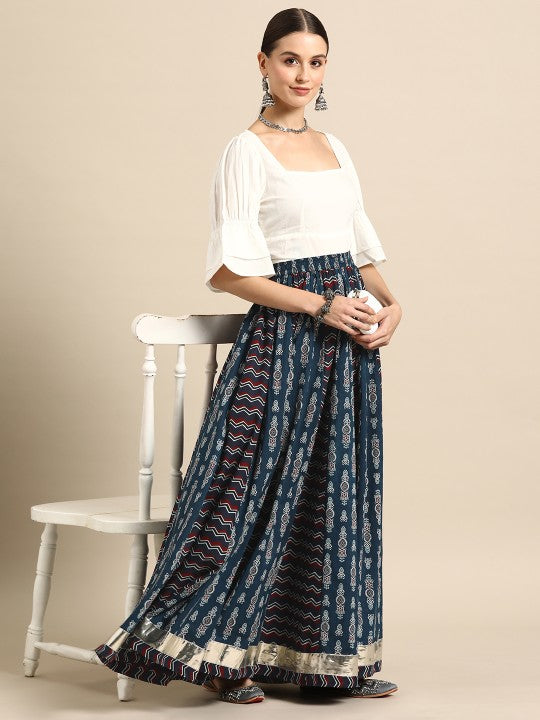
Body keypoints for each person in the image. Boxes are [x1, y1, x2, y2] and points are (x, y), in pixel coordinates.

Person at [94, 8, 403, 705]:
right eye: (290, 59)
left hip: (348, 347)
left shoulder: (335, 146)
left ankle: (323, 660)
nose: (304, 74)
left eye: (316, 61)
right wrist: (320, 306)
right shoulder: (246, 149)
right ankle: (217, 656)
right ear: (262, 63)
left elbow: (358, 248)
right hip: (287, 338)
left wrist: (393, 304)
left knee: (333, 496)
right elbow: (229, 272)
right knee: (250, 495)